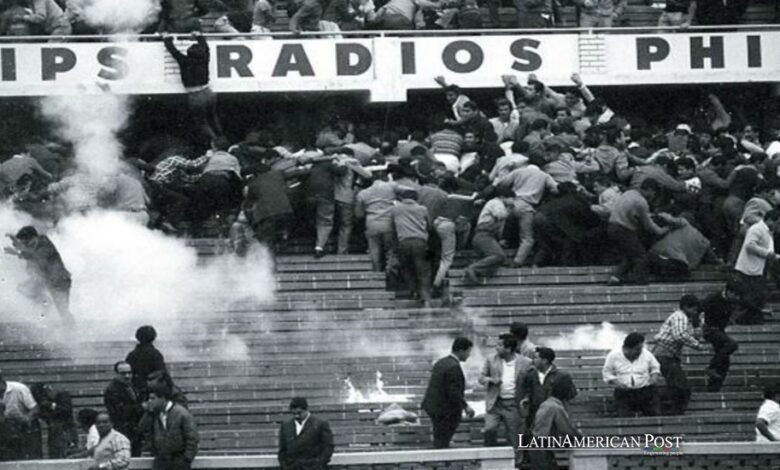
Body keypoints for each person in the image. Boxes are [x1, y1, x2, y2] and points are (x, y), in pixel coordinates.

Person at [4, 225, 75, 326]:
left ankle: (72, 334)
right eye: (25, 243)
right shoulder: (34, 244)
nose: (27, 245)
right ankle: (45, 302)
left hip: (59, 280)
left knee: (63, 311)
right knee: (23, 288)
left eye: (28, 242)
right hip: (45, 279)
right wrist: (14, 239)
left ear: (34, 238)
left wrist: (17, 252)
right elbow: (25, 248)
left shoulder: (45, 244)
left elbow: (38, 257)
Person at [651, 294, 707, 415]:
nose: (695, 312)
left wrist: (695, 332)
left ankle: (671, 410)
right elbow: (679, 335)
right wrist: (697, 345)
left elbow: (680, 333)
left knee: (676, 386)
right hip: (665, 355)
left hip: (666, 355)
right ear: (687, 307)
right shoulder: (680, 316)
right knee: (681, 387)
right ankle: (673, 411)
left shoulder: (680, 318)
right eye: (694, 309)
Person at [162, 31, 223, 142]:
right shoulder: (205, 59)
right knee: (213, 117)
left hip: (196, 95)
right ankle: (221, 138)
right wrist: (199, 36)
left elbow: (172, 50)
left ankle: (215, 142)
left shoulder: (185, 61)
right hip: (208, 91)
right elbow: (206, 47)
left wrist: (167, 38)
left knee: (202, 122)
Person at [607, 178, 669, 285]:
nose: (653, 196)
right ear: (649, 190)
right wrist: (662, 231)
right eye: (654, 193)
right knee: (641, 256)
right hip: (624, 229)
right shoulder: (641, 202)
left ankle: (616, 277)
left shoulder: (629, 193)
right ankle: (640, 281)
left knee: (631, 254)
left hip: (612, 226)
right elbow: (648, 225)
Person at [479, 334, 532, 453]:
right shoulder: (491, 359)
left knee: (514, 436)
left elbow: (530, 383)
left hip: (514, 403)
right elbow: (481, 378)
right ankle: (490, 458)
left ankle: (516, 463)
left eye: (499, 345)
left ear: (508, 349)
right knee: (489, 429)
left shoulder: (526, 362)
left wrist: (527, 398)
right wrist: (491, 380)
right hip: (495, 402)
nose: (496, 347)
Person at [421, 337, 476, 449]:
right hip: (445, 410)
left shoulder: (441, 362)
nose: (469, 355)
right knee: (443, 441)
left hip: (434, 407)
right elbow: (453, 391)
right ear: (461, 350)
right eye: (468, 351)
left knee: (439, 438)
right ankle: (441, 461)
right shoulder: (453, 367)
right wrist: (466, 406)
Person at [732, 209, 780, 324]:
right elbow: (750, 245)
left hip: (757, 269)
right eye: (778, 222)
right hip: (749, 269)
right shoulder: (757, 229)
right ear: (770, 220)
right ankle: (742, 319)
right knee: (752, 296)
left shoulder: (767, 231)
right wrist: (768, 254)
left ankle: (752, 318)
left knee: (756, 296)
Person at [602, 333, 662, 417]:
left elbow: (655, 367)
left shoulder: (646, 354)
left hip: (645, 390)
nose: (639, 351)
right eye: (637, 349)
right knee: (624, 415)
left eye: (640, 348)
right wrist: (617, 383)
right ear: (627, 348)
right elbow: (607, 372)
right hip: (624, 392)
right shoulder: (614, 355)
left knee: (654, 412)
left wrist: (653, 378)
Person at [528, 378, 582, 470]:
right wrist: (582, 439)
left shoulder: (547, 404)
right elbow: (566, 430)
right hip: (541, 449)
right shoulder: (555, 407)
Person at [390, 187, 432, 306]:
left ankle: (413, 291)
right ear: (416, 198)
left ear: (403, 198)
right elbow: (429, 225)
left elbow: (392, 226)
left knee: (407, 268)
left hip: (403, 242)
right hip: (420, 242)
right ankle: (426, 297)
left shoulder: (395, 209)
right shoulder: (423, 209)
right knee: (423, 270)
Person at [462, 191, 513, 284]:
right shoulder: (496, 202)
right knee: (499, 256)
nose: (513, 201)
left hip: (486, 236)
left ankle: (474, 271)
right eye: (512, 198)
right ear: (503, 196)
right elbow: (500, 215)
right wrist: (509, 210)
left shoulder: (500, 205)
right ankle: (472, 269)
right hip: (483, 235)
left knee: (497, 259)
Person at [519, 347, 577, 429]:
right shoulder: (530, 375)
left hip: (555, 416)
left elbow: (569, 396)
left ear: (545, 360)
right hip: (534, 416)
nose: (533, 360)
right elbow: (526, 391)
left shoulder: (562, 376)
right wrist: (526, 398)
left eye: (536, 358)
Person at [700, 280, 742, 392]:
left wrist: (761, 311)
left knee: (725, 362)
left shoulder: (733, 300)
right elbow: (697, 309)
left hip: (720, 331)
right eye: (735, 295)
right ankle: (711, 367)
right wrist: (697, 326)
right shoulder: (713, 298)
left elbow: (747, 304)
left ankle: (713, 389)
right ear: (728, 291)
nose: (737, 298)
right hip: (710, 330)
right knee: (732, 344)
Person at [146, 384, 199, 470]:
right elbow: (146, 432)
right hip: (161, 461)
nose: (149, 401)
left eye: (153, 398)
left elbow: (192, 438)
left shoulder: (182, 413)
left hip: (179, 461)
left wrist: (186, 459)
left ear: (162, 398)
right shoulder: (155, 415)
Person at [277, 397, 334, 470]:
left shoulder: (320, 424)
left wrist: (318, 464)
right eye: (293, 413)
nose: (296, 416)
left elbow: (328, 447)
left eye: (299, 413)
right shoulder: (286, 426)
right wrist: (285, 465)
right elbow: (283, 449)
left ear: (306, 410)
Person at [104, 361, 144, 456]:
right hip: (123, 431)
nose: (127, 376)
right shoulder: (112, 390)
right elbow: (119, 412)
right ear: (116, 374)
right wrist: (141, 407)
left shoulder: (132, 387)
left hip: (134, 431)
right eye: (123, 373)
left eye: (129, 373)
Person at [30, 383, 78, 458]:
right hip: (54, 432)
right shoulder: (43, 404)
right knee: (54, 454)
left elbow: (67, 410)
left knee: (68, 454)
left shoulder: (62, 395)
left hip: (66, 430)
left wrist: (51, 405)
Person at [0, 374, 41, 460]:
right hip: (6, 427)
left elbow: (35, 408)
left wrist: (26, 418)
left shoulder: (19, 388)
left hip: (25, 425)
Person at [125, 325, 167, 400]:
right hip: (153, 393)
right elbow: (162, 374)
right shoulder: (156, 354)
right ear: (153, 338)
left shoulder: (132, 355)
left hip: (136, 392)